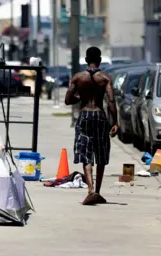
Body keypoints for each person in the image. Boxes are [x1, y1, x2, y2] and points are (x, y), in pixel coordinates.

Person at [64, 47, 119, 205]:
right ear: (100, 60)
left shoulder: (78, 77)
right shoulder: (105, 78)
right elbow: (111, 101)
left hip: (85, 115)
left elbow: (68, 100)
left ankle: (91, 190)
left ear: (87, 60)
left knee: (85, 152)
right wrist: (115, 122)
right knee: (100, 152)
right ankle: (98, 191)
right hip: (100, 115)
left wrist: (80, 97)